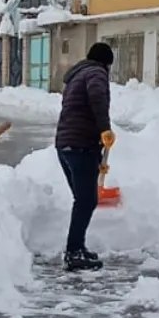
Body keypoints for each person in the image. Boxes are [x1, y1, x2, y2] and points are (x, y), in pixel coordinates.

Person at [54, 41, 114, 271]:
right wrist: (104, 128)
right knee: (86, 200)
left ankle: (77, 247)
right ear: (106, 64)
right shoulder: (96, 73)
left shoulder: (77, 76)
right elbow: (97, 99)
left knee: (83, 199)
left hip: (66, 145)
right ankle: (74, 251)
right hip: (80, 146)